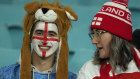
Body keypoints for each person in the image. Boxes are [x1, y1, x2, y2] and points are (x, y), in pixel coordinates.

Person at [0, 1, 78, 79]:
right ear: (30, 37)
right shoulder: (6, 74)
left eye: (51, 34)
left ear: (60, 40)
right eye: (39, 33)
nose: (44, 41)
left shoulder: (71, 78)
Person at [77, 0, 140, 79]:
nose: (93, 41)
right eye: (94, 34)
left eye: (99, 33)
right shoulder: (89, 70)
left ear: (117, 37)